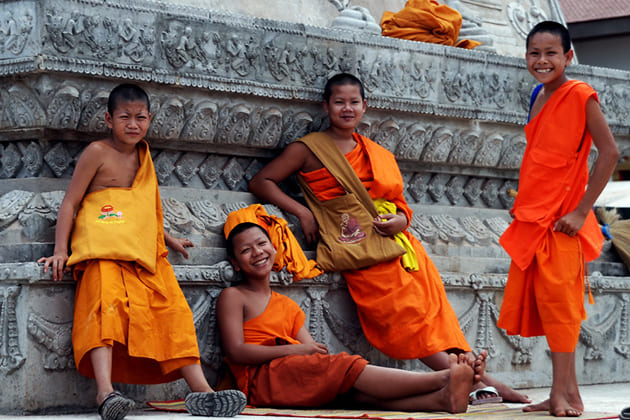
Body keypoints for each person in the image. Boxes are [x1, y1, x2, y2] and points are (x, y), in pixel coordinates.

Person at [248, 73, 529, 404]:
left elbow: (400, 205)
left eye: (354, 102)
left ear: (365, 107)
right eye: (339, 102)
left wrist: (401, 220)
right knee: (406, 319)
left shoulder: (375, 153)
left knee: (435, 316)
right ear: (326, 106)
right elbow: (262, 181)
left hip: (399, 246)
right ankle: (470, 379)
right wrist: (303, 213)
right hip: (358, 249)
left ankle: (481, 379)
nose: (347, 108)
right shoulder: (308, 149)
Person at [38, 84, 247, 420]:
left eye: (140, 117)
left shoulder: (143, 156)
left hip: (143, 252)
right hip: (103, 250)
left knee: (172, 311)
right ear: (109, 119)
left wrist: (167, 238)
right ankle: (105, 393)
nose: (133, 124)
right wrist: (61, 249)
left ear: (150, 119)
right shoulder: (97, 152)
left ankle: (203, 393)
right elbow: (71, 202)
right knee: (105, 309)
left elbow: (140, 210)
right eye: (125, 117)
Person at [217, 218, 479, 413]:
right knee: (343, 367)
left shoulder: (286, 304)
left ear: (274, 249)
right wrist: (296, 352)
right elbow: (237, 352)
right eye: (246, 250)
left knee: (351, 391)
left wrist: (307, 354)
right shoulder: (234, 296)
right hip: (260, 380)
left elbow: (311, 351)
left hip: (293, 372)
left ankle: (442, 400)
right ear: (236, 263)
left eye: (262, 243)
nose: (257, 252)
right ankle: (444, 377)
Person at [497, 21, 619, 417]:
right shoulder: (538, 95)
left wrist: (582, 210)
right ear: (526, 58)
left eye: (551, 53)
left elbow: (610, 153)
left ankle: (561, 395)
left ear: (568, 56)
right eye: (535, 53)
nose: (542, 60)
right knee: (551, 308)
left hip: (564, 220)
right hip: (535, 216)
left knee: (561, 308)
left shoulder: (581, 95)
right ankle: (568, 395)